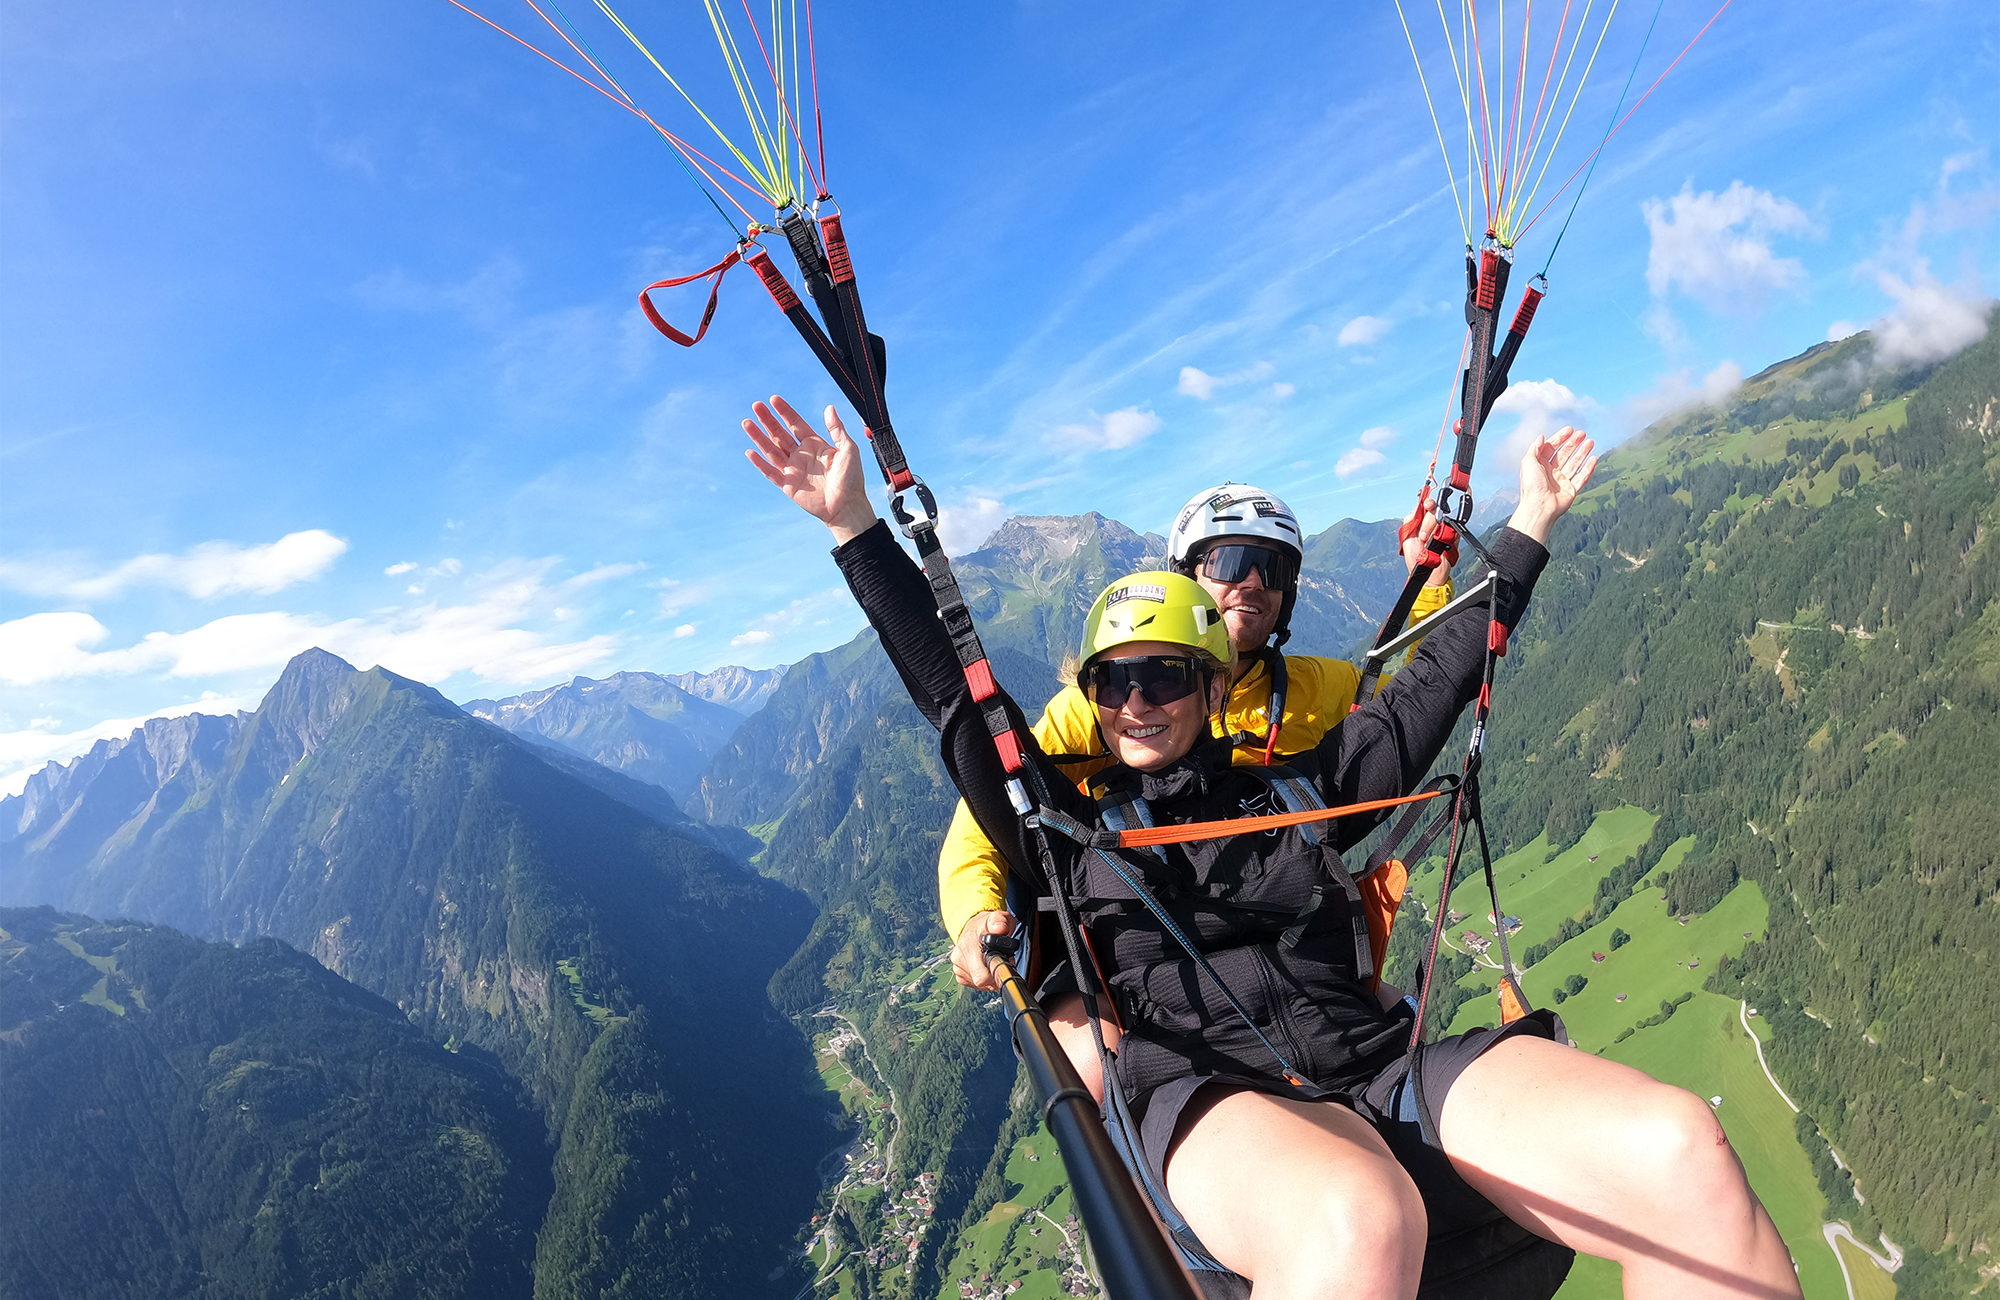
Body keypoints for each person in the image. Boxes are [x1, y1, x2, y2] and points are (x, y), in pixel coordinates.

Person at [743, 394, 1801, 1300]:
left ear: (1213, 687)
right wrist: (852, 530)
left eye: (1165, 676)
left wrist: (1528, 522)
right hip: (1201, 1091)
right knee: (1357, 1212)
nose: (1138, 699)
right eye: (1114, 680)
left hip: (1376, 1064)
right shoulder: (1065, 829)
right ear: (1090, 695)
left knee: (1679, 1147)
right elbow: (955, 700)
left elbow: (1431, 687)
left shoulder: (1303, 787)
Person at [938, 481, 1457, 994]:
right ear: (1185, 578)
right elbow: (998, 794)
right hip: (1151, 952)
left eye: (1273, 569)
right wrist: (974, 910)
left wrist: (1429, 587)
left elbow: (1421, 698)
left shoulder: (1318, 686)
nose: (1252, 582)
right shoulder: (1111, 702)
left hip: (1287, 935)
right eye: (1229, 563)